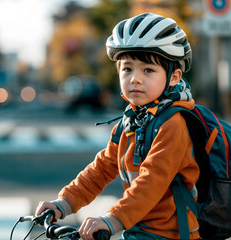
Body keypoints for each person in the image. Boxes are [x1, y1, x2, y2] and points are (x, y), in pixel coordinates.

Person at [35, 12, 200, 240]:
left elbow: (151, 182)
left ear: (174, 77)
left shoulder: (173, 124)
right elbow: (101, 169)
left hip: (170, 234)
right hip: (138, 229)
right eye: (127, 69)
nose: (135, 79)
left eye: (148, 70)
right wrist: (64, 202)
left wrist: (112, 219)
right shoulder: (131, 121)